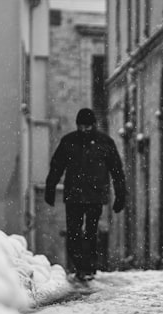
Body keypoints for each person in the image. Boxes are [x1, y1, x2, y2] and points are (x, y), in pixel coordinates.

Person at [45, 108, 127, 282]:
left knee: (90, 231)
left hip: (94, 195)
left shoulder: (104, 143)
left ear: (93, 125)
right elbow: (56, 166)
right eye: (82, 126)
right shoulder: (69, 142)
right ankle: (80, 266)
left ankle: (88, 266)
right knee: (74, 232)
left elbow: (116, 170)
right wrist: (50, 187)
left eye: (87, 127)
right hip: (75, 195)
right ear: (78, 125)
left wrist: (120, 195)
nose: (84, 130)